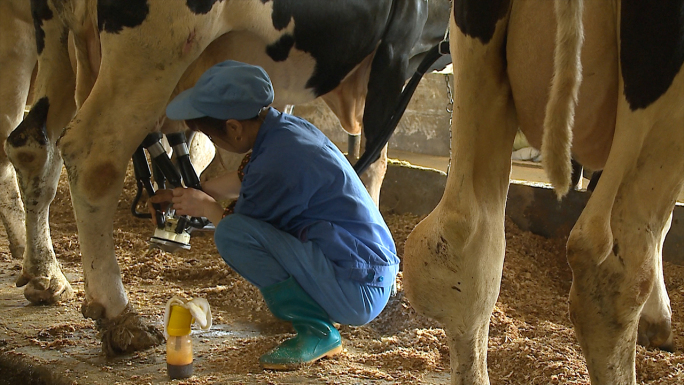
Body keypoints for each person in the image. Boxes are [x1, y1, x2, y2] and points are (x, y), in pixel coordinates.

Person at [150, 60, 399, 370]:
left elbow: (240, 226)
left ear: (234, 128)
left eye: (213, 138)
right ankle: (318, 313)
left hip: (357, 289)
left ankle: (318, 332)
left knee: (230, 235)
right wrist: (190, 194)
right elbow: (246, 179)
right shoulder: (283, 131)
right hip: (367, 270)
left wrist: (207, 208)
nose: (215, 142)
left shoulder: (276, 164)